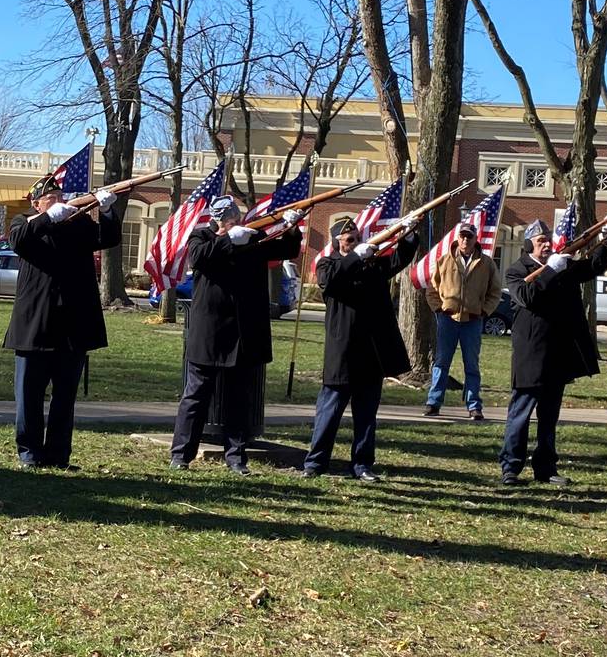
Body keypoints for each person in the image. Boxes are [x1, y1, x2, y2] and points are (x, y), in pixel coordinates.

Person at [170, 196, 303, 475]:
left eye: (234, 218)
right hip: (210, 331)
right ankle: (181, 455)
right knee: (195, 396)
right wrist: (230, 240)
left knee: (239, 399)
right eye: (226, 219)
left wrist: (292, 227)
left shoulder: (254, 236)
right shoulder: (201, 236)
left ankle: (236, 457)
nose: (232, 223)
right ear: (217, 220)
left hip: (244, 330)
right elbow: (199, 258)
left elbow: (287, 249)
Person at [4, 172, 121, 469]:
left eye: (60, 198)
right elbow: (18, 239)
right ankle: (29, 453)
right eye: (50, 199)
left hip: (73, 324)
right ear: (36, 203)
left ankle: (58, 455)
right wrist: (48, 218)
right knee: (29, 395)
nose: (58, 203)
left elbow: (108, 238)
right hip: (35, 324)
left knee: (64, 397)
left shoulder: (78, 223)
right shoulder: (25, 223)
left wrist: (107, 211)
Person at [501, 218, 607, 486]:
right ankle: (510, 468)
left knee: (549, 416)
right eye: (540, 241)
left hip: (557, 352)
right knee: (520, 414)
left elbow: (592, 267)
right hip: (530, 354)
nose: (546, 245)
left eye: (547, 240)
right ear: (529, 243)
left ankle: (546, 468)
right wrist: (551, 270)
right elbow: (528, 297)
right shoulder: (517, 270)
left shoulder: (562, 265)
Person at [303, 216, 420, 481]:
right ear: (338, 243)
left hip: (371, 352)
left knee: (366, 415)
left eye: (357, 238)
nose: (356, 242)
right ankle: (315, 463)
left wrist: (410, 231)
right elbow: (331, 281)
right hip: (342, 352)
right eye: (349, 239)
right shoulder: (328, 264)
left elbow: (399, 259)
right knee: (329, 412)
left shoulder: (373, 265)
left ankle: (362, 464)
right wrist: (355, 256)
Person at [423, 222, 502, 420]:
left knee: (471, 365)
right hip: (448, 320)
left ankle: (474, 405)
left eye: (469, 237)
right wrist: (439, 309)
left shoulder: (487, 264)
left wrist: (484, 311)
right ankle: (434, 402)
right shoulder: (444, 261)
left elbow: (495, 292)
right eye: (463, 236)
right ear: (457, 238)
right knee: (441, 362)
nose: (465, 240)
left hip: (473, 321)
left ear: (476, 240)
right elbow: (432, 289)